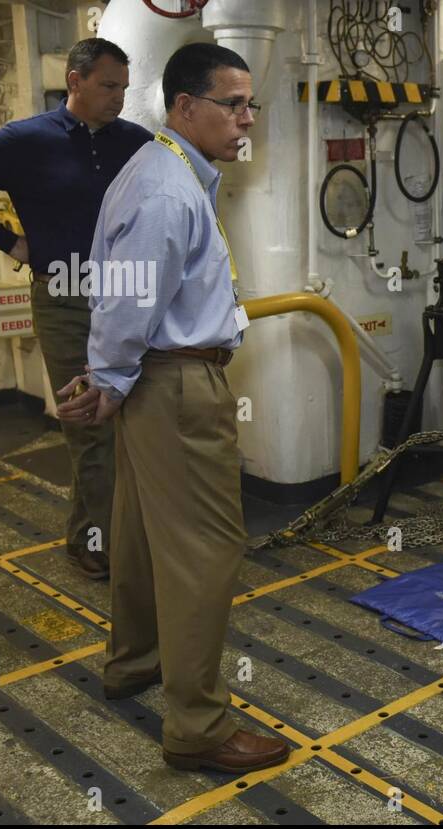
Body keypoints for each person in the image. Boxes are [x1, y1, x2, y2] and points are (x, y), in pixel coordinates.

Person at [57, 42, 287, 775]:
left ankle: (134, 663)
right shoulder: (166, 189)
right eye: (233, 104)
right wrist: (112, 379)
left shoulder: (168, 172)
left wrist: (110, 375)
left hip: (154, 380)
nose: (246, 118)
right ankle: (198, 725)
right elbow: (130, 299)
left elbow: (124, 290)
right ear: (184, 107)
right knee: (206, 550)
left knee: (140, 534)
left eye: (251, 104)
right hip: (177, 385)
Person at [0, 38, 152, 580]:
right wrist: (12, 244)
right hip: (66, 299)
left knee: (138, 420)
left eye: (124, 87)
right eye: (107, 86)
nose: (119, 98)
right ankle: (93, 543)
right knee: (89, 422)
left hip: (129, 293)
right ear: (74, 81)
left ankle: (130, 535)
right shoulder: (26, 139)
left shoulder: (137, 142)